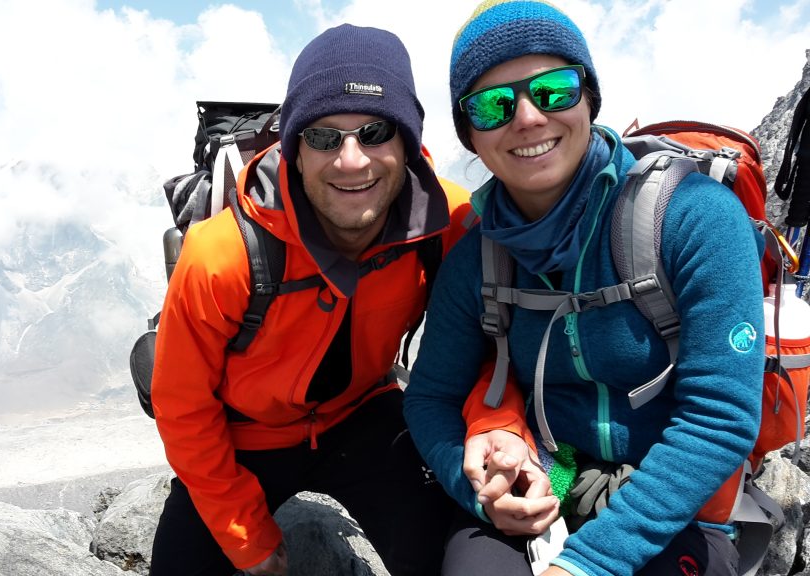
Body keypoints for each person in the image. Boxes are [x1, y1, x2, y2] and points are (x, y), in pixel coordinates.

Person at [148, 23, 536, 576]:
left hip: (364, 418)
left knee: (446, 547)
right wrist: (245, 534)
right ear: (295, 151)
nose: (351, 160)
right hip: (241, 440)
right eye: (324, 137)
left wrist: (493, 431)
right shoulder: (223, 253)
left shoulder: (449, 224)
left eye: (375, 132)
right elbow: (182, 404)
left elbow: (484, 349)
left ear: (409, 144)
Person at [403, 1, 766, 575]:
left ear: (589, 97)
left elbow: (719, 416)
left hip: (670, 504)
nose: (526, 118)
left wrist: (586, 564)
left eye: (554, 89)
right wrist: (478, 491)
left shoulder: (694, 218)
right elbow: (431, 398)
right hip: (539, 488)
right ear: (471, 135)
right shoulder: (476, 258)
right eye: (493, 104)